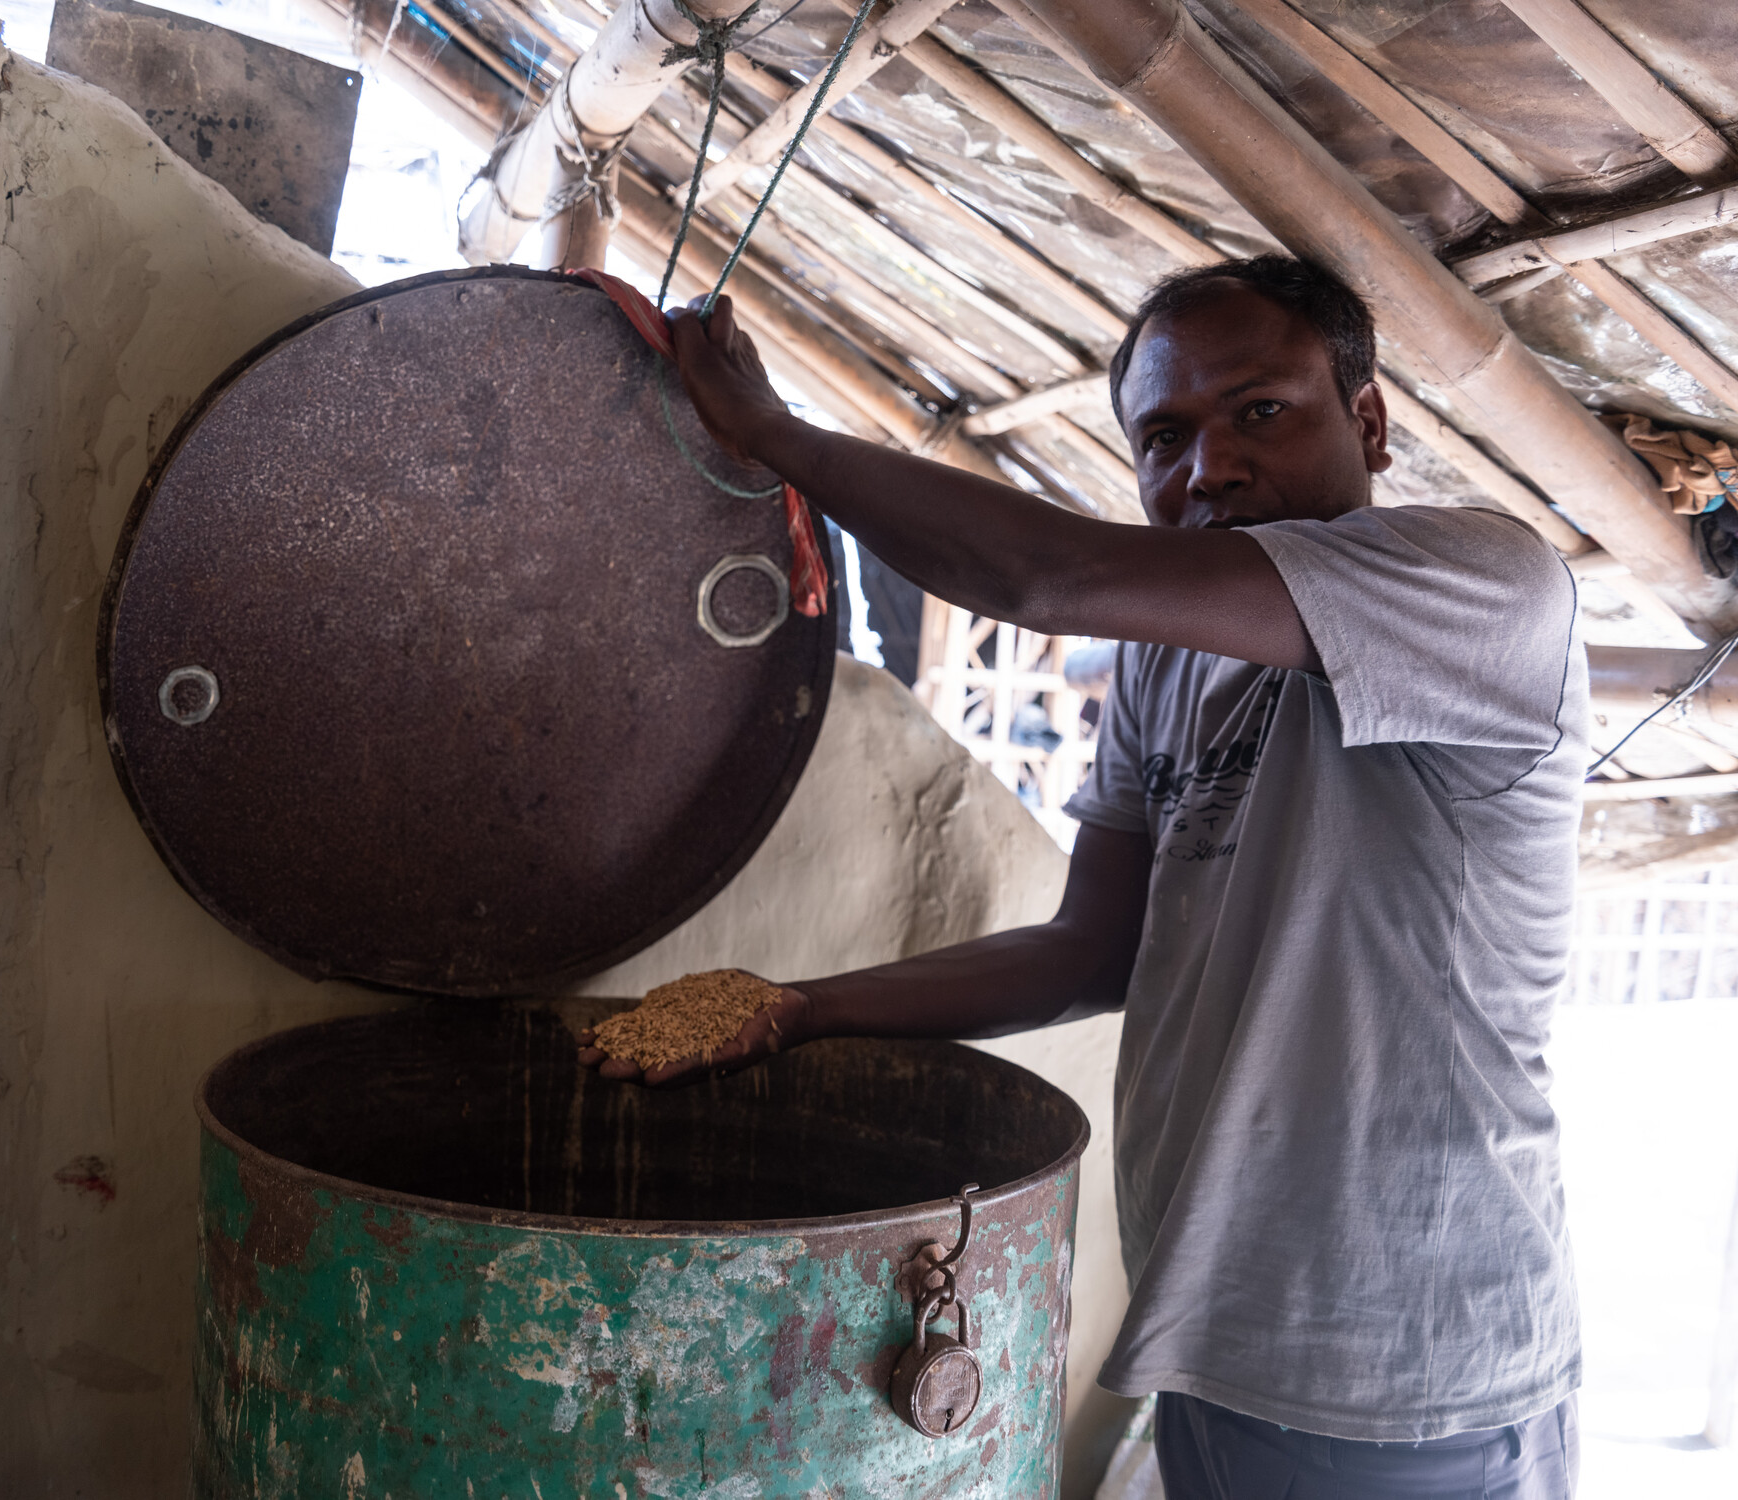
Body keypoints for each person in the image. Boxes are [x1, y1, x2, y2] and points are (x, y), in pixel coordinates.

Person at [577, 256, 1583, 1499]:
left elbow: (1040, 579)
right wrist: (802, 1007)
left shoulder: (1483, 587)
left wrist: (774, 436)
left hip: (1406, 1364)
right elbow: (1090, 949)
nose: (1206, 466)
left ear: (1367, 423)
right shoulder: (1166, 672)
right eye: (1163, 437)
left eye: (1258, 410)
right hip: (1216, 1331)